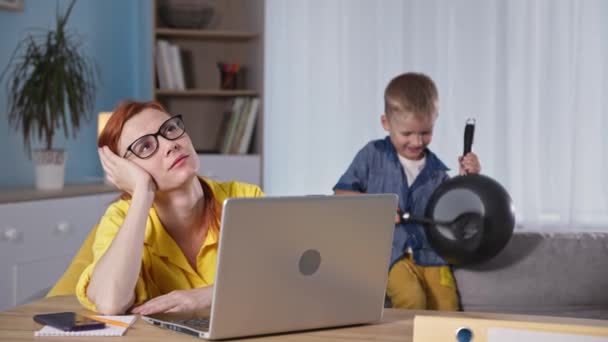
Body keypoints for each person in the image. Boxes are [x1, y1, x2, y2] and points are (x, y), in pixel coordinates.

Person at [76, 100, 263, 315]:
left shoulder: (246, 198)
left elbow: (286, 276)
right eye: (145, 146)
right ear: (125, 171)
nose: (170, 144)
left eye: (170, 129)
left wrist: (208, 296)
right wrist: (142, 193)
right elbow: (110, 302)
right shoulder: (120, 217)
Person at [333, 72, 481, 310]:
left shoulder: (437, 172)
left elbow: (456, 208)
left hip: (432, 256)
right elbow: (340, 195)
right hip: (388, 254)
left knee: (447, 305)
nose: (417, 142)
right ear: (386, 124)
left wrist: (469, 179)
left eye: (425, 132)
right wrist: (379, 209)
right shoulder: (372, 156)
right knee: (412, 299)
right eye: (407, 134)